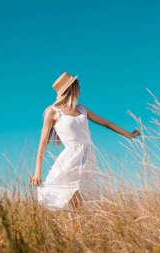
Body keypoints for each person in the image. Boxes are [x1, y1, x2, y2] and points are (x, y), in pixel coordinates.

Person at [29, 72, 141, 213]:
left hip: (88, 156)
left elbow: (106, 123)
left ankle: (77, 227)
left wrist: (129, 135)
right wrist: (37, 172)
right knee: (69, 194)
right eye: (78, 88)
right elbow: (42, 143)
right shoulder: (53, 112)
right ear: (72, 89)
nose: (80, 91)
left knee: (85, 197)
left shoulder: (82, 109)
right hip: (70, 158)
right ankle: (74, 227)